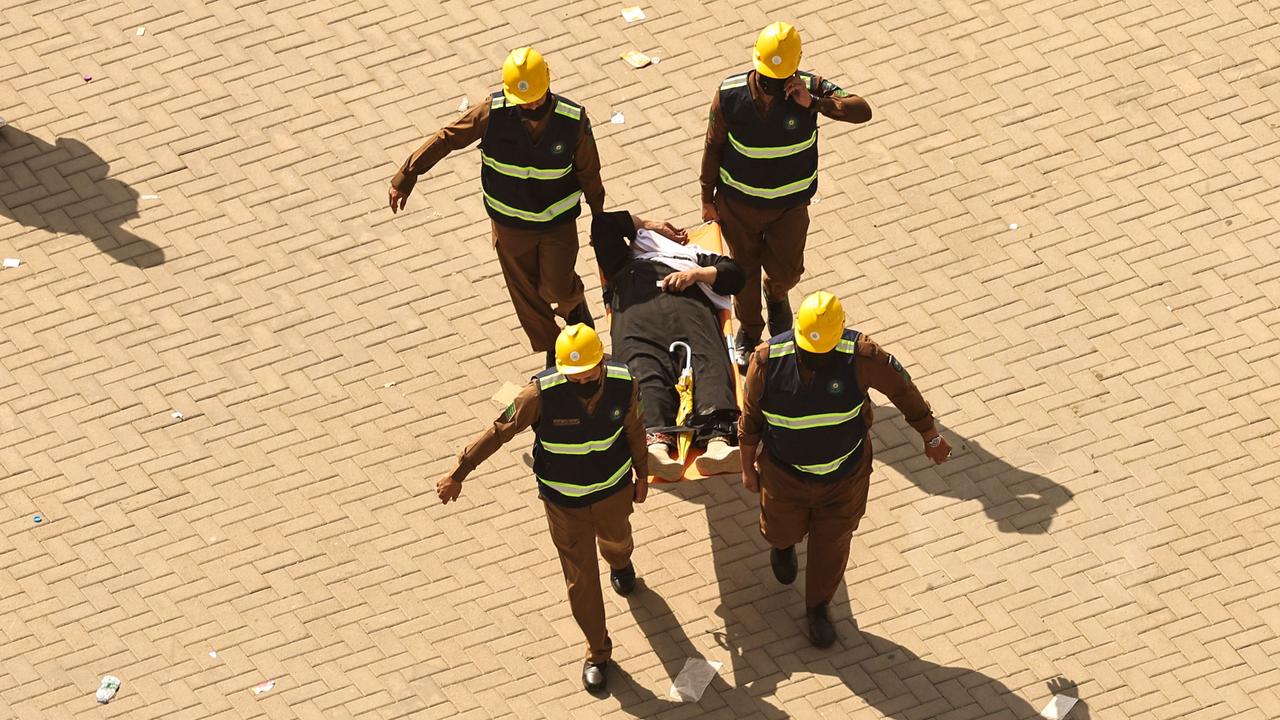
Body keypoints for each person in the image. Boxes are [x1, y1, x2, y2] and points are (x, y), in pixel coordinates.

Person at [434, 324, 647, 693]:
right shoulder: (540, 394)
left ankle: (621, 562)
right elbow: (499, 431)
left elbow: (635, 428)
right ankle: (598, 652)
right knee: (581, 581)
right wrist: (459, 472)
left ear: (601, 363)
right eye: (572, 375)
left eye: (587, 374)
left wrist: (642, 475)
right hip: (565, 505)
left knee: (618, 542)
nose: (580, 381)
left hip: (613, 492)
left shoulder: (624, 382)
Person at [738, 291, 952, 647]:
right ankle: (784, 545)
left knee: (832, 545)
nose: (815, 359)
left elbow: (902, 390)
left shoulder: (862, 357)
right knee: (778, 529)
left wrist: (929, 434)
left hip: (844, 478)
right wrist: (747, 469)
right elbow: (751, 420)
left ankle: (818, 607)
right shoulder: (766, 362)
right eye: (809, 351)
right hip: (784, 475)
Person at [390, 47, 605, 366]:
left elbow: (589, 171)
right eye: (523, 100)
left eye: (535, 97)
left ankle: (574, 310)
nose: (530, 105)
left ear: (548, 83)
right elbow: (448, 137)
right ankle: (556, 352)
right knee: (527, 295)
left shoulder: (572, 120)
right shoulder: (492, 113)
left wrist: (600, 217)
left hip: (557, 223)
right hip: (509, 224)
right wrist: (408, 174)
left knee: (558, 286)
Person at [700, 22, 873, 368]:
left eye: (778, 82)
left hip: (789, 208)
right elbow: (713, 145)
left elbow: (861, 110)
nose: (771, 89)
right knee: (742, 272)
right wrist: (707, 197)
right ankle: (749, 332)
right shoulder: (729, 94)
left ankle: (777, 295)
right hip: (738, 205)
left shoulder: (808, 89)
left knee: (787, 272)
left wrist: (817, 103)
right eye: (766, 81)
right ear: (756, 67)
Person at [590, 211, 747, 480]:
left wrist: (695, 275)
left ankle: (717, 444)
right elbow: (603, 224)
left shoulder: (694, 257)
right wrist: (651, 225)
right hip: (636, 311)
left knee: (707, 359)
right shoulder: (623, 260)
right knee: (642, 366)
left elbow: (735, 275)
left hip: (690, 307)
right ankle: (657, 449)